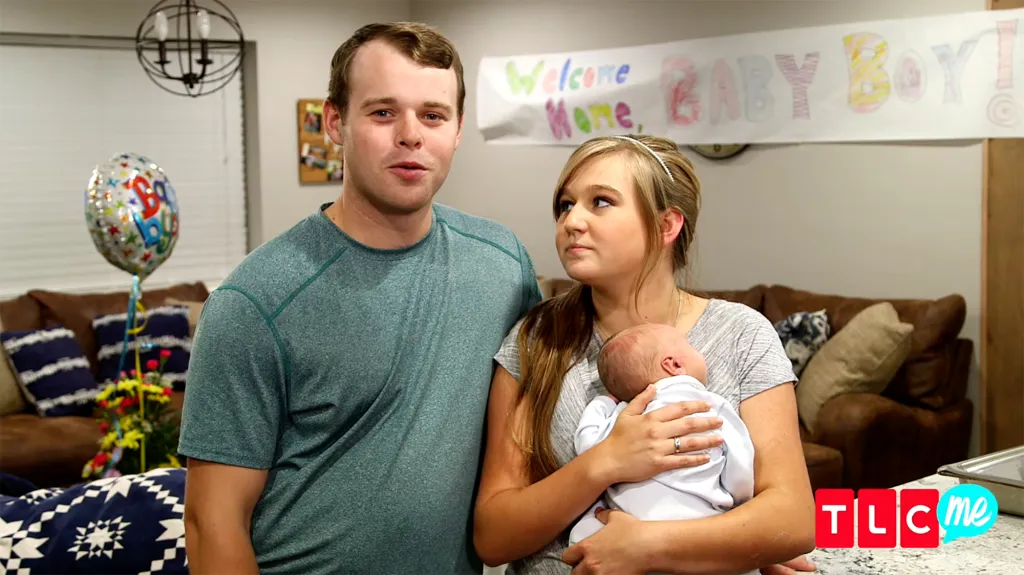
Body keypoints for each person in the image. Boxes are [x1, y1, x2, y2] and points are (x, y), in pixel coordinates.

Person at [178, 22, 542, 575]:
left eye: (433, 115)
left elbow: (545, 423)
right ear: (334, 123)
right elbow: (212, 523)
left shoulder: (504, 265)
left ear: (458, 129)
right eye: (382, 113)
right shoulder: (254, 302)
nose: (411, 135)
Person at [473, 134, 817, 575]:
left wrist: (649, 546)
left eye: (600, 202)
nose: (572, 221)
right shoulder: (537, 339)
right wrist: (605, 461)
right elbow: (493, 535)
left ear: (666, 226)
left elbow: (791, 518)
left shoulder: (742, 335)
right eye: (565, 205)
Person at [567, 323, 756, 550]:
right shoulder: (711, 404)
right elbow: (741, 459)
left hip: (624, 530)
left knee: (584, 530)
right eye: (690, 346)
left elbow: (587, 447)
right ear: (674, 364)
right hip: (699, 526)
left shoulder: (623, 417)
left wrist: (602, 403)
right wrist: (739, 496)